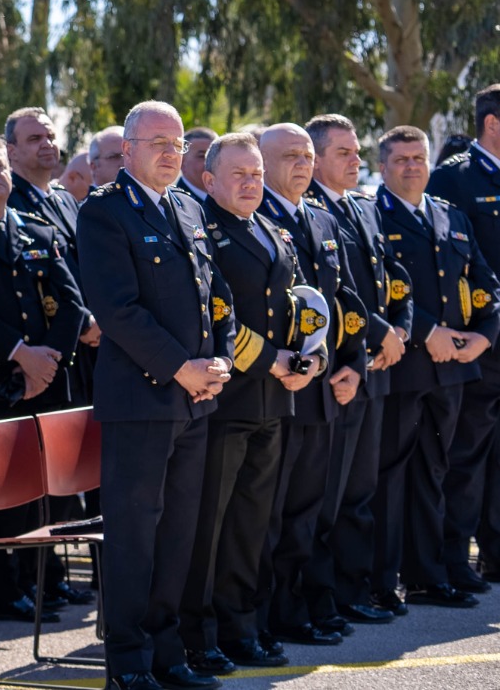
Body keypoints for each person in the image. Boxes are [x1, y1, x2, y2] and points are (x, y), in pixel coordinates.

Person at [78, 100, 234, 690]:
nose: (172, 154)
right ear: (128, 149)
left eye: (178, 144)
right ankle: (129, 663)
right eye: (159, 143)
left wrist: (220, 358)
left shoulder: (188, 207)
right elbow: (116, 309)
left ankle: (169, 655)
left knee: (177, 535)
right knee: (134, 536)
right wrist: (179, 368)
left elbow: (215, 296)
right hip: (141, 402)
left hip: (195, 398)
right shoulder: (104, 212)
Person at [0, 132, 85, 626]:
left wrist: (46, 363)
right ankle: (0, 589)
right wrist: (20, 353)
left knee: (38, 493)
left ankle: (31, 582)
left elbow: (71, 304)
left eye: (0, 164)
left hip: (43, 382)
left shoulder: (37, 232)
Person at [178, 132, 301, 677]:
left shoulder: (271, 228)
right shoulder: (203, 232)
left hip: (274, 398)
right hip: (226, 397)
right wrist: (274, 360)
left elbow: (296, 303)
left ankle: (240, 625)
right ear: (209, 180)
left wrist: (310, 355)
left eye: (256, 174)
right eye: (239, 175)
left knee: (252, 522)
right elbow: (218, 313)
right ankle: (199, 635)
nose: (251, 183)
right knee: (210, 525)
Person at [371, 124, 499, 610]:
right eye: (401, 159)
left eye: (418, 158)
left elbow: (483, 282)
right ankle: (385, 580)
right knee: (392, 476)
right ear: (382, 166)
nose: (412, 167)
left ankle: (432, 572)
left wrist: (484, 335)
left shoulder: (450, 215)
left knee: (438, 470)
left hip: (455, 368)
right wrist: (429, 333)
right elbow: (381, 290)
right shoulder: (373, 216)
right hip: (405, 366)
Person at [257, 124, 365, 648]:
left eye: (306, 156)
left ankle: (302, 605)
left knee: (309, 509)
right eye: (290, 156)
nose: (302, 164)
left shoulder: (321, 217)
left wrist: (354, 363)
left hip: (321, 386)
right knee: (270, 513)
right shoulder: (255, 215)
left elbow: (343, 300)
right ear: (263, 162)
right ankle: (268, 616)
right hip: (277, 387)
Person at [302, 114, 410, 627]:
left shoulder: (361, 207)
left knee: (361, 490)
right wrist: (377, 333)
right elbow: (337, 294)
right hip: (342, 368)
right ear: (316, 158)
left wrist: (400, 329)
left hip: (375, 366)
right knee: (330, 494)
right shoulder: (312, 209)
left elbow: (392, 276)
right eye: (344, 152)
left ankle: (356, 587)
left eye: (357, 151)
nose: (356, 160)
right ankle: (326, 596)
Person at [427, 84, 500, 590]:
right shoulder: (454, 177)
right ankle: (452, 555)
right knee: (467, 452)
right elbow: (444, 262)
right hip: (477, 342)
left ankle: (494, 553)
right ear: (492, 124)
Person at [7, 106, 100, 410]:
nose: (47, 144)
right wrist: (83, 322)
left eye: (50, 136)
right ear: (11, 151)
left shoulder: (65, 199)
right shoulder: (8, 203)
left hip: (91, 346)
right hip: (50, 346)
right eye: (35, 138)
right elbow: (31, 277)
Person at [177, 128, 217, 202]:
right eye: (202, 156)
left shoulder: (227, 199)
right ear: (182, 163)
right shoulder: (176, 204)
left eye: (215, 155)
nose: (211, 162)